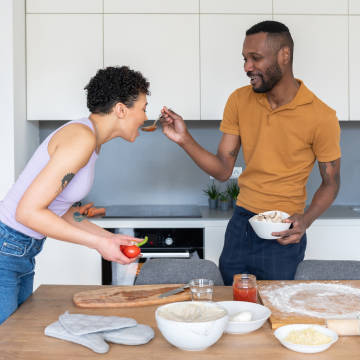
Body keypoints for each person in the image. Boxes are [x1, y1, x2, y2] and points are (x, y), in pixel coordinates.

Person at [160, 20, 341, 285]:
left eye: (255, 58)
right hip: (241, 226)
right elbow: (223, 170)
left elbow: (331, 183)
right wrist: (184, 139)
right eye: (245, 59)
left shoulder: (321, 116)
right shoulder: (239, 100)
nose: (247, 67)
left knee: (275, 312)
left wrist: (306, 220)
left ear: (284, 55)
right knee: (230, 308)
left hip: (283, 232)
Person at [0, 66, 150, 324]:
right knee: (8, 343)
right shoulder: (82, 139)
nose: (146, 117)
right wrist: (97, 244)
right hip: (7, 249)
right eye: (144, 108)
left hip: (17, 250)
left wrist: (108, 238)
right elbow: (27, 213)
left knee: (13, 339)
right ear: (121, 110)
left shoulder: (89, 139)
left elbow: (61, 209)